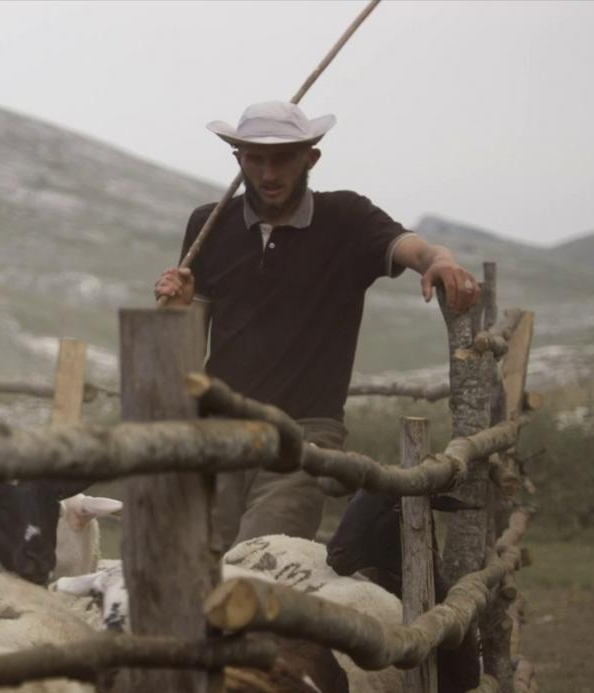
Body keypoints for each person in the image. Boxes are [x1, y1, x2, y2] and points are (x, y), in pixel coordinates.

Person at [155, 100, 480, 545]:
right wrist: (178, 309)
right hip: (218, 431)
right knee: (198, 568)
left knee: (262, 568)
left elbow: (414, 249)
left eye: (284, 157)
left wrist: (441, 261)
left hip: (304, 435)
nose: (269, 173)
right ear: (238, 160)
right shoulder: (208, 224)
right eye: (255, 158)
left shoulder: (346, 219)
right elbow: (189, 347)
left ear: (311, 158)